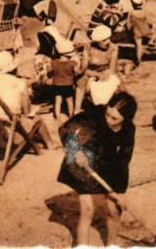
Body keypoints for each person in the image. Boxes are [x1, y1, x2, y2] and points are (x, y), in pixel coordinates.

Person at [57, 92, 137, 247]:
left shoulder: (129, 129)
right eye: (108, 114)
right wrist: (75, 150)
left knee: (114, 210)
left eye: (114, 118)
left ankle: (112, 245)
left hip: (107, 163)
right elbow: (66, 129)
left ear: (125, 119)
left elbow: (123, 160)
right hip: (83, 161)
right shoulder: (94, 114)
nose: (108, 120)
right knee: (87, 209)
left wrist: (119, 191)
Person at [0, 50, 56, 149]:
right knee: (35, 117)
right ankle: (50, 144)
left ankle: (30, 144)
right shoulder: (20, 83)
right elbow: (26, 111)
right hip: (11, 125)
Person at [51, 38, 85, 120]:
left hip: (56, 84)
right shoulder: (72, 63)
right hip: (68, 84)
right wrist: (83, 68)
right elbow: (79, 72)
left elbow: (49, 70)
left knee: (58, 101)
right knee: (69, 101)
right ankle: (71, 116)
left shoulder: (54, 62)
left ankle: (57, 117)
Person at [126, 0, 154, 65]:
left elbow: (128, 25)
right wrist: (150, 25)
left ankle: (139, 61)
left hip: (137, 33)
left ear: (132, 4)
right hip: (146, 32)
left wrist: (131, 31)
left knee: (139, 47)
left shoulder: (131, 13)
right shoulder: (144, 12)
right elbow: (150, 22)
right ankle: (151, 41)